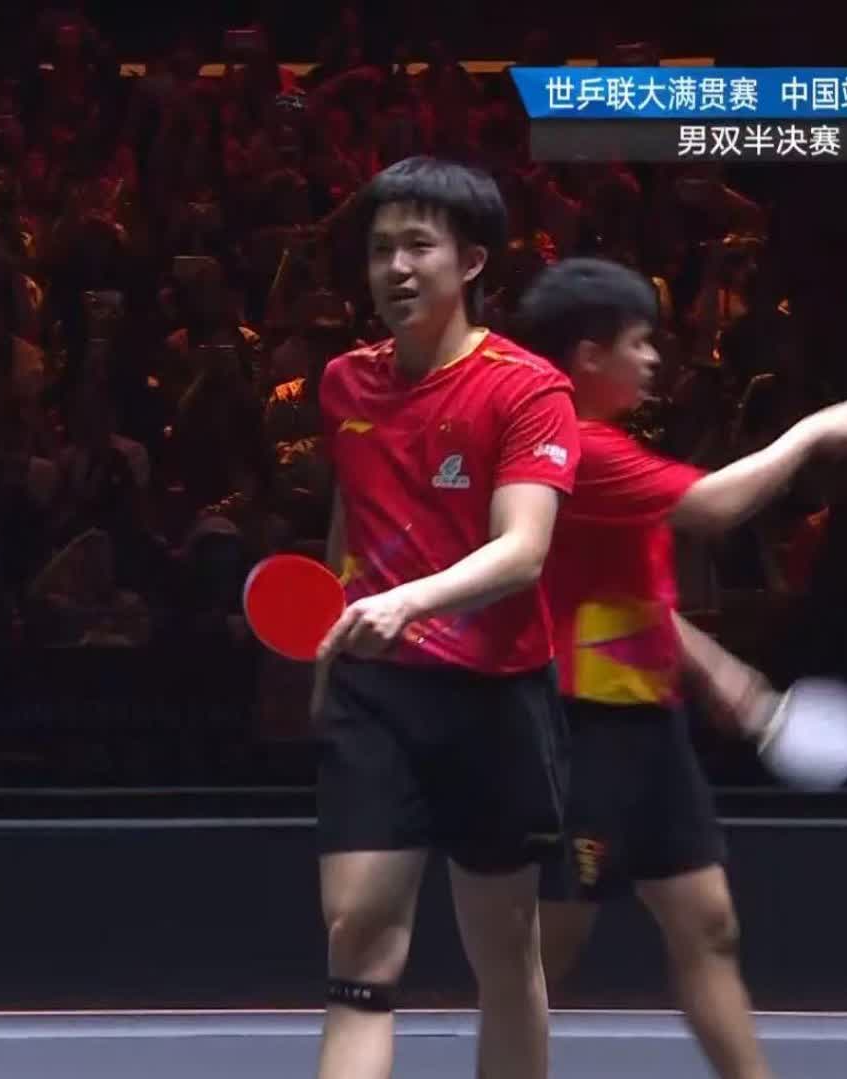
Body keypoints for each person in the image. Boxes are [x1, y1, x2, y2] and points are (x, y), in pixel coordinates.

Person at [506, 258, 847, 1079]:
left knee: (707, 923)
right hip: (579, 729)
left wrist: (721, 675)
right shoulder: (573, 448)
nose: (655, 359)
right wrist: (812, 433)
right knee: (548, 950)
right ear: (587, 356)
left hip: (648, 727)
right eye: (639, 343)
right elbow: (713, 507)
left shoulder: (607, 447)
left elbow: (631, 598)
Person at [311, 157, 580, 1079]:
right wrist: (329, 643)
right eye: (380, 248)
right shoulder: (344, 384)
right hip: (376, 694)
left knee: (503, 953)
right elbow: (351, 517)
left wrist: (407, 599)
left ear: (470, 261)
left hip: (493, 696)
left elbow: (524, 549)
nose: (395, 268)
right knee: (357, 948)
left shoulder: (527, 388)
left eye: (418, 246)